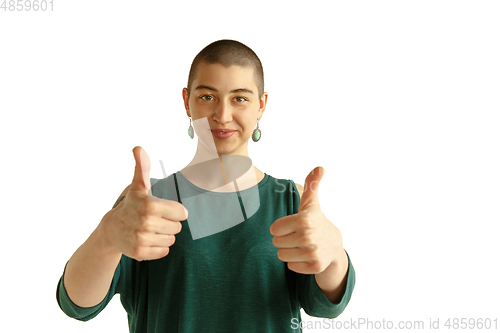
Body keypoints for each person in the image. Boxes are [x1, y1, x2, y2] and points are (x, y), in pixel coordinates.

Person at [56, 39, 356, 332]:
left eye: (240, 98)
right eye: (207, 97)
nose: (222, 115)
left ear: (261, 106)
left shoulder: (291, 201)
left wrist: (334, 252)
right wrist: (106, 235)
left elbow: (327, 305)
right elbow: (77, 304)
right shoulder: (147, 203)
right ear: (187, 101)